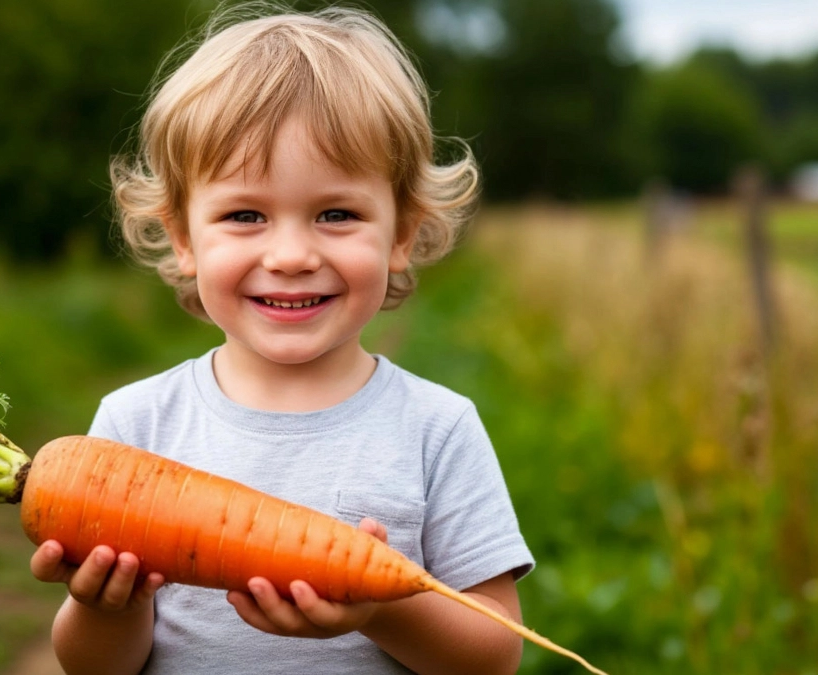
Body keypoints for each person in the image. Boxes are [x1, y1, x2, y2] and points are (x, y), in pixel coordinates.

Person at [29, 5, 534, 674]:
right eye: (245, 215)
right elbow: (95, 667)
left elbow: (494, 655)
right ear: (183, 237)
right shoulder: (134, 424)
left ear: (402, 233)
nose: (291, 254)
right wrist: (108, 607)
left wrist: (380, 604)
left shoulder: (436, 430)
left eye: (336, 213)